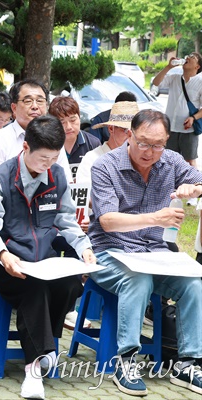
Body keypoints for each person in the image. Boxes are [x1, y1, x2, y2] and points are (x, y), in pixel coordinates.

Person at [0, 115, 96, 400]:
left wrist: (84, 248)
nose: (48, 164)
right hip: (4, 261)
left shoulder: (57, 176)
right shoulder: (1, 177)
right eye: (43, 158)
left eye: (54, 158)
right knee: (35, 288)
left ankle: (42, 347)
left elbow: (67, 221)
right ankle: (35, 368)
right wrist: (4, 255)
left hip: (44, 259)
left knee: (71, 284)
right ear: (26, 148)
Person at [88, 109, 202, 397]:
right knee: (137, 281)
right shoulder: (105, 166)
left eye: (158, 145)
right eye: (143, 143)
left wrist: (194, 188)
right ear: (129, 135)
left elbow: (200, 180)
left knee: (193, 285)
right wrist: (155, 218)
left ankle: (188, 363)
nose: (150, 152)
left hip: (154, 253)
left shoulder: (172, 161)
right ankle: (125, 360)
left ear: (166, 141)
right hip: (109, 252)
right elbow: (108, 221)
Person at [0, 79, 72, 179]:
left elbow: (66, 181)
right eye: (28, 101)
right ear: (14, 108)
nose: (35, 106)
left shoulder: (54, 138)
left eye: (40, 101)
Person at [152, 53, 202, 206]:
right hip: (170, 128)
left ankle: (194, 194)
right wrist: (168, 66)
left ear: (197, 66)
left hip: (188, 129)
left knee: (189, 160)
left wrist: (193, 118)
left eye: (193, 57)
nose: (188, 57)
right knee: (166, 159)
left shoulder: (200, 82)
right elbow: (156, 82)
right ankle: (166, 191)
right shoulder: (175, 77)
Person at [76, 101, 138, 183]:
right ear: (111, 129)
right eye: (125, 130)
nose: (130, 135)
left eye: (134, 131)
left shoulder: (139, 158)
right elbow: (84, 192)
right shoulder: (92, 159)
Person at [48, 96, 101, 176]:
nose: (68, 127)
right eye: (62, 122)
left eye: (72, 120)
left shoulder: (93, 144)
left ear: (79, 118)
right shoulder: (47, 144)